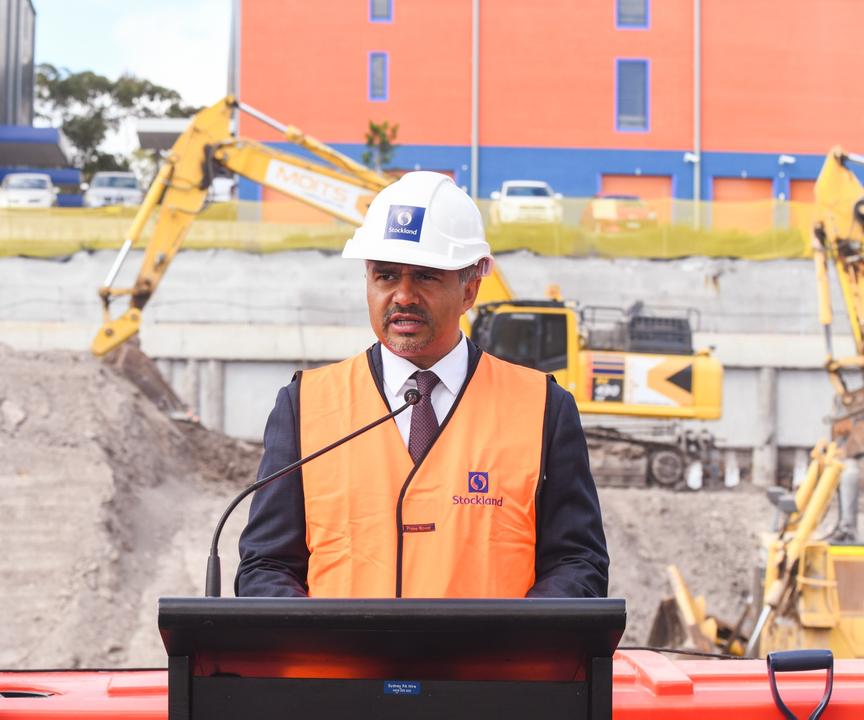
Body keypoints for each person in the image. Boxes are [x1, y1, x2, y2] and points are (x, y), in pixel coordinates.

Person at [236, 171, 608, 599]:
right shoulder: (305, 406)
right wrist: (326, 648)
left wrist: (511, 648)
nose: (404, 296)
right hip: (341, 667)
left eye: (426, 276)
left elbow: (578, 565)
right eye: (386, 276)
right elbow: (266, 567)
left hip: (489, 666)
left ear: (470, 289)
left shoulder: (543, 408)